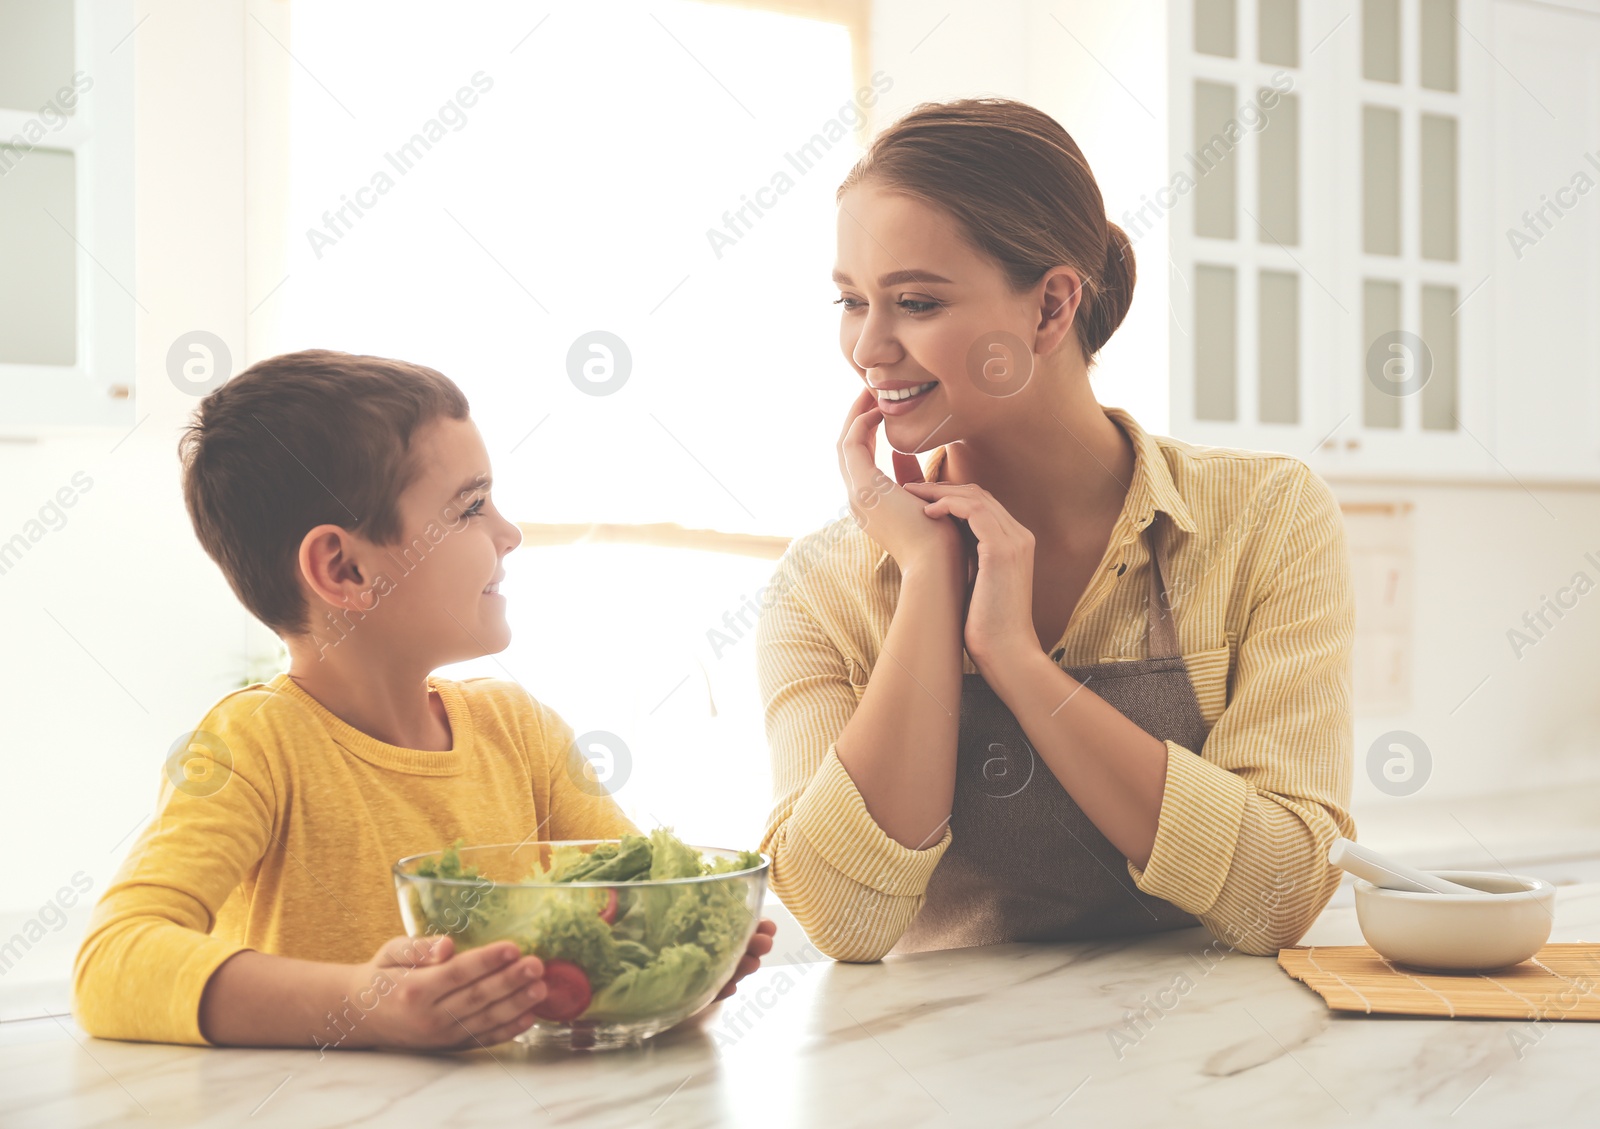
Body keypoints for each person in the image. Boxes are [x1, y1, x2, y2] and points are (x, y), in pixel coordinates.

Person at [757, 99, 1355, 961]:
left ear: (1049, 308)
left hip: (1211, 1073)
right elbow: (843, 919)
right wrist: (929, 580)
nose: (868, 348)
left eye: (916, 302)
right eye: (852, 302)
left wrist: (1018, 661)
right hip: (933, 1084)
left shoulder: (1264, 518)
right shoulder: (821, 586)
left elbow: (1279, 891)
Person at [73, 350, 774, 1048]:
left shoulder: (520, 731)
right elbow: (113, 960)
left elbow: (632, 913)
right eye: (471, 506)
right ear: (345, 568)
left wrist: (684, 959)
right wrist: (367, 1003)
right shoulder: (253, 745)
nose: (509, 532)